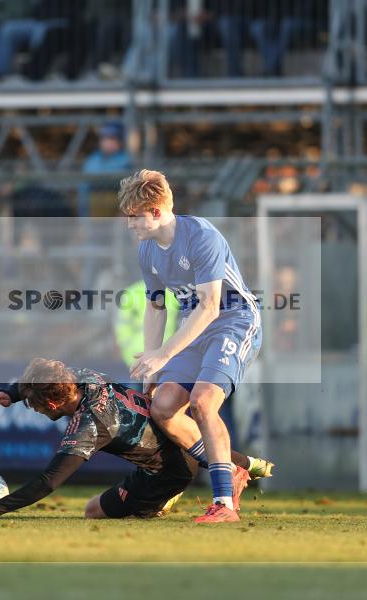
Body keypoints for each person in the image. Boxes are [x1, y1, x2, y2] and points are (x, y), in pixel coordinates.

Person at [0, 358, 272, 521]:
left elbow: (49, 481)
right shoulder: (85, 377)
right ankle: (249, 464)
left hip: (168, 473)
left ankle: (162, 501)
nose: (33, 408)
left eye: (34, 404)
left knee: (92, 510)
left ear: (54, 405)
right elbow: (46, 375)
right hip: (184, 438)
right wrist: (12, 392)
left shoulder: (89, 425)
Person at [121, 170, 263, 523]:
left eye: (133, 217)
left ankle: (224, 505)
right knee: (163, 408)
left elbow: (211, 305)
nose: (129, 225)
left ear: (155, 211)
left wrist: (165, 353)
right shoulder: (148, 251)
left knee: (202, 403)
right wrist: (151, 363)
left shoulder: (201, 235)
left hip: (233, 321)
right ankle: (229, 469)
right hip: (193, 328)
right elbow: (156, 306)